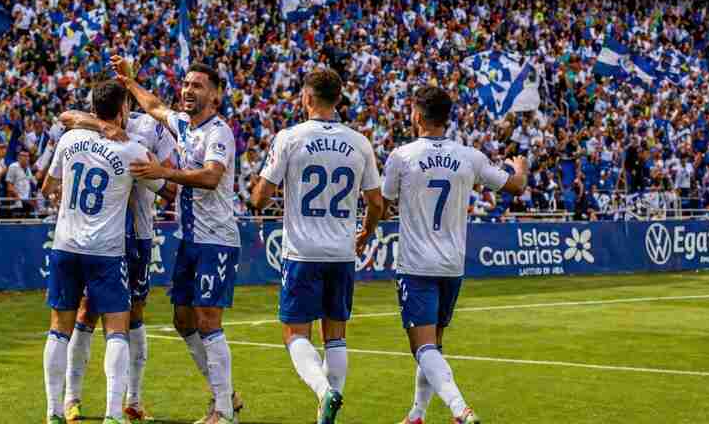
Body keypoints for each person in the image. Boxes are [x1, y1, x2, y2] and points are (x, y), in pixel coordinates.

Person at [383, 86, 527, 424]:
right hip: (451, 265)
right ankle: (417, 413)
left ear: (417, 115)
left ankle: (460, 409)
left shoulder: (402, 156)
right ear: (447, 118)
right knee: (434, 345)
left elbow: (383, 201)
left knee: (422, 346)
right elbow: (516, 186)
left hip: (416, 265)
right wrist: (519, 166)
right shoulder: (470, 156)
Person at [250, 67, 384, 424]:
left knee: (294, 333)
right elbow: (376, 202)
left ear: (306, 98)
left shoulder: (290, 137)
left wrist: (259, 189)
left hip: (302, 252)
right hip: (341, 252)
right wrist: (366, 234)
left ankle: (325, 392)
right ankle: (328, 414)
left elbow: (261, 198)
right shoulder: (360, 142)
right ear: (338, 100)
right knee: (336, 334)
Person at [114, 55, 243, 424]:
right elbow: (154, 106)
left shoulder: (219, 132)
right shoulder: (183, 125)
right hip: (189, 238)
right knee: (183, 319)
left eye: (197, 85)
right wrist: (129, 82)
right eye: (186, 84)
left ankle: (221, 410)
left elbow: (211, 177)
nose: (188, 90)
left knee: (206, 318)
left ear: (215, 95)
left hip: (215, 239)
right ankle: (226, 395)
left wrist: (163, 171)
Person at [42, 79, 161, 424]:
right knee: (117, 329)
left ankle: (53, 412)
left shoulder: (69, 140)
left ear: (92, 107)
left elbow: (49, 186)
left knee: (59, 328)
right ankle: (112, 413)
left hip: (65, 245)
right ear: (123, 109)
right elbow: (164, 187)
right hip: (106, 252)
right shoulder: (132, 150)